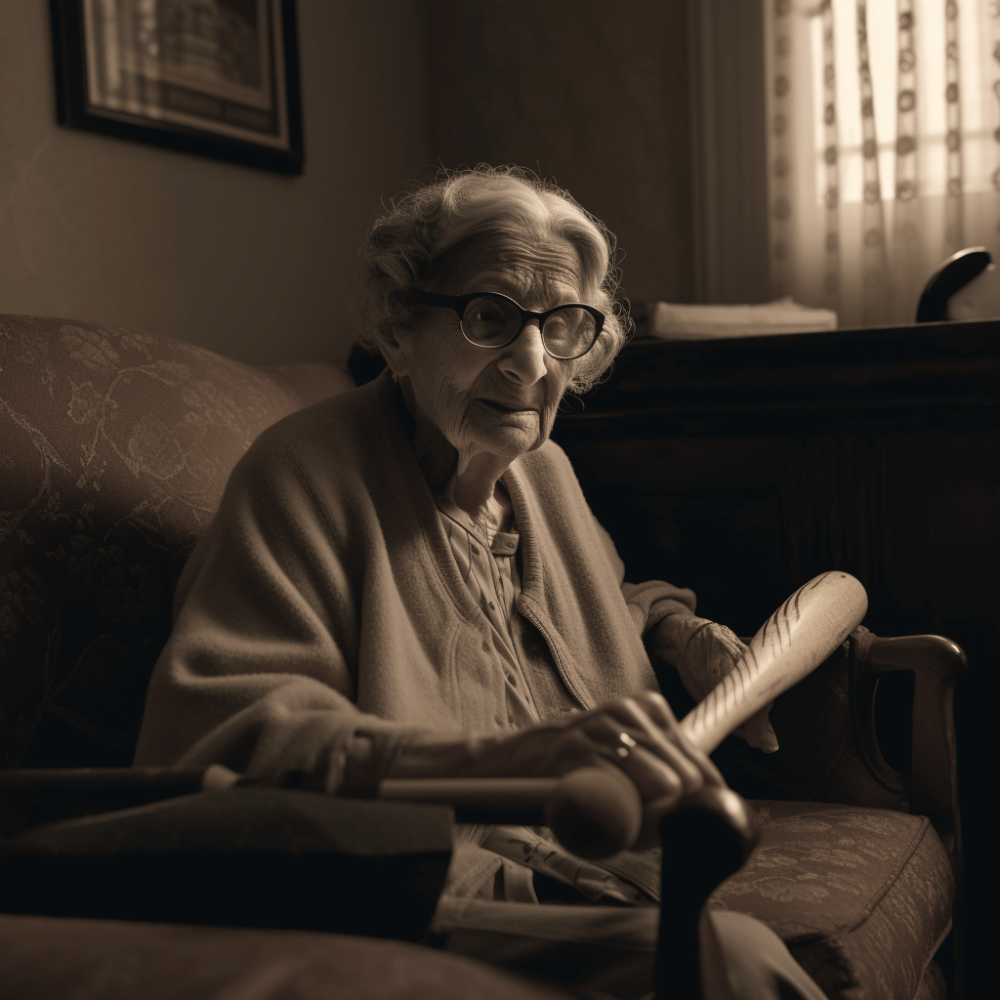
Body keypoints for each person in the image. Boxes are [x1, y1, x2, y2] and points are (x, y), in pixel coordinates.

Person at [134, 166, 822, 1000]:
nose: (531, 362)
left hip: (602, 870)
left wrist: (683, 634)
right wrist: (503, 760)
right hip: (417, 893)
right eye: (490, 317)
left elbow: (607, 604)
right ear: (397, 329)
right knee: (736, 963)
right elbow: (228, 738)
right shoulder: (299, 476)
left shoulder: (546, 476)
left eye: (563, 324)